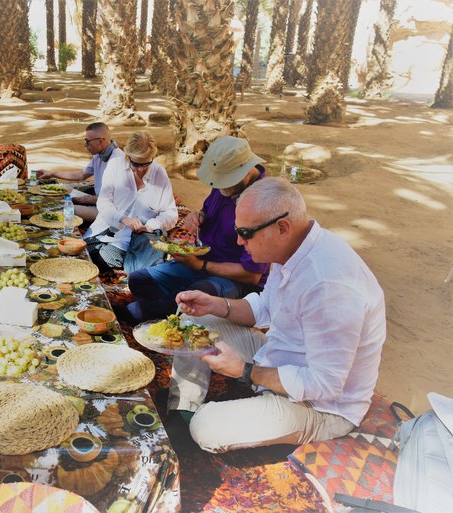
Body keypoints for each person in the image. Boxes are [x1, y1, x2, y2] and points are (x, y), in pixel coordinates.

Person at [170, 177, 386, 453]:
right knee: (193, 321)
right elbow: (265, 308)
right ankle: (183, 410)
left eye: (245, 233)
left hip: (322, 407)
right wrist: (214, 305)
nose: (239, 241)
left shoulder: (330, 285)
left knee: (206, 426)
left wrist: (246, 371)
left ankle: (205, 420)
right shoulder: (292, 250)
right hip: (280, 359)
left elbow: (324, 385)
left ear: (282, 227)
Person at [126, 136, 270, 323]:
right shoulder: (225, 184)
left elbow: (252, 274)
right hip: (201, 262)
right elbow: (207, 210)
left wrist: (200, 266)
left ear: (243, 172)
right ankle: (173, 307)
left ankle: (164, 310)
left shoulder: (262, 205)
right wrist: (198, 216)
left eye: (224, 183)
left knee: (201, 291)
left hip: (235, 280)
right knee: (139, 279)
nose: (219, 187)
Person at [83, 131, 178, 273]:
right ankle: (136, 264)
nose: (140, 169)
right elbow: (103, 203)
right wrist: (122, 219)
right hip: (107, 232)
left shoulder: (159, 172)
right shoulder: (116, 165)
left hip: (142, 239)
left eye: (146, 163)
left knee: (99, 257)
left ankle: (137, 264)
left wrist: (151, 225)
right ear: (127, 156)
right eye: (135, 163)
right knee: (88, 253)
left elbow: (171, 213)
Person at [35, 122, 124, 223]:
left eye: (87, 141)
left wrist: (84, 200)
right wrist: (52, 173)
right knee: (57, 201)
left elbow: (114, 200)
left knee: (66, 210)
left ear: (100, 141)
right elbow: (81, 175)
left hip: (111, 211)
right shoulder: (99, 155)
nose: (85, 145)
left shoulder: (118, 161)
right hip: (98, 202)